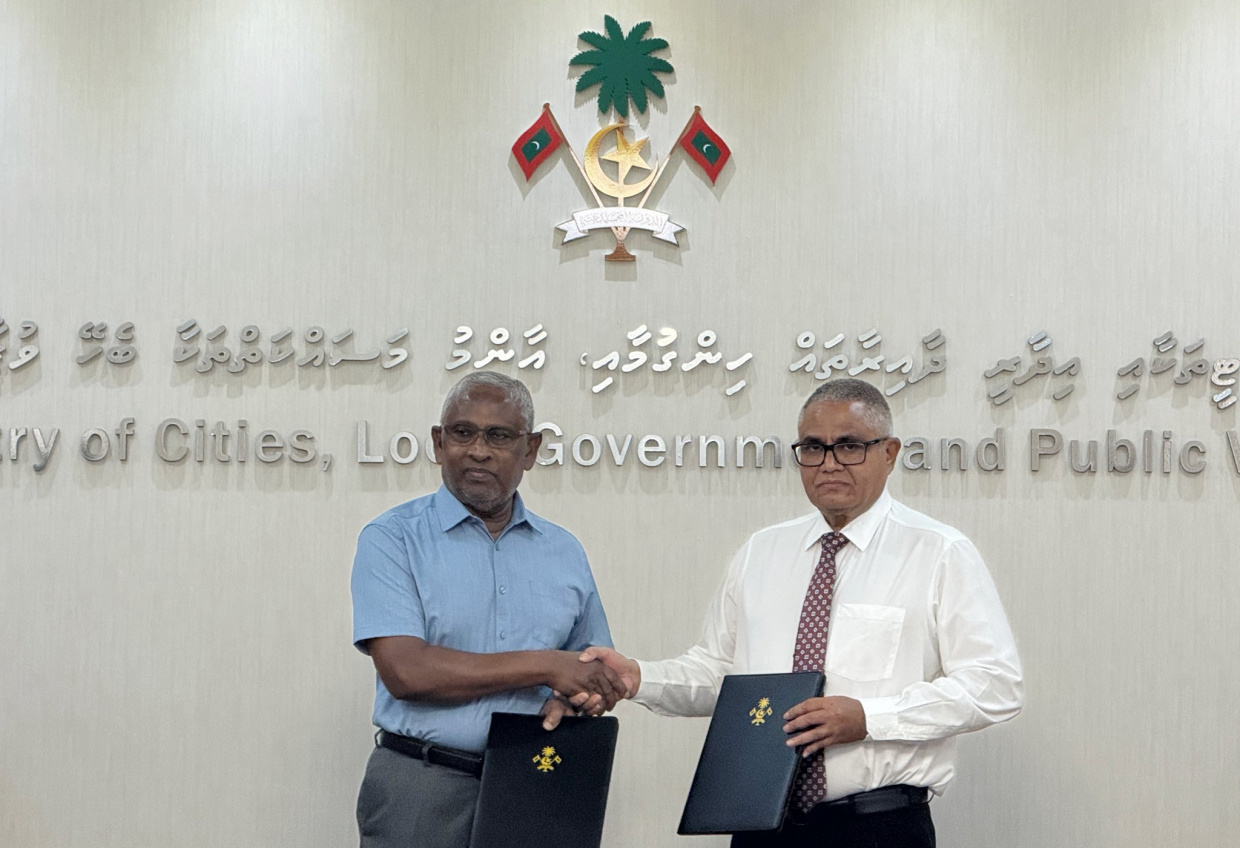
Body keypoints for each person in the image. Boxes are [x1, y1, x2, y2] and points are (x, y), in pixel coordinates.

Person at [583, 378, 1023, 848]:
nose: (829, 463)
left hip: (878, 827)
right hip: (762, 825)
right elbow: (721, 677)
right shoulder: (762, 552)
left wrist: (870, 718)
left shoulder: (938, 552)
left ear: (889, 453)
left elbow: (995, 684)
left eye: (849, 446)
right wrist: (638, 677)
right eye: (813, 448)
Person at [351, 371, 624, 848]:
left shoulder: (564, 551)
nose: (478, 450)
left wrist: (577, 698)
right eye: (463, 433)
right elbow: (406, 672)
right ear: (439, 443)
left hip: (535, 782)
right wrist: (546, 665)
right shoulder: (392, 538)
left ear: (531, 450)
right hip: (421, 786)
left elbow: (594, 670)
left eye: (498, 436)